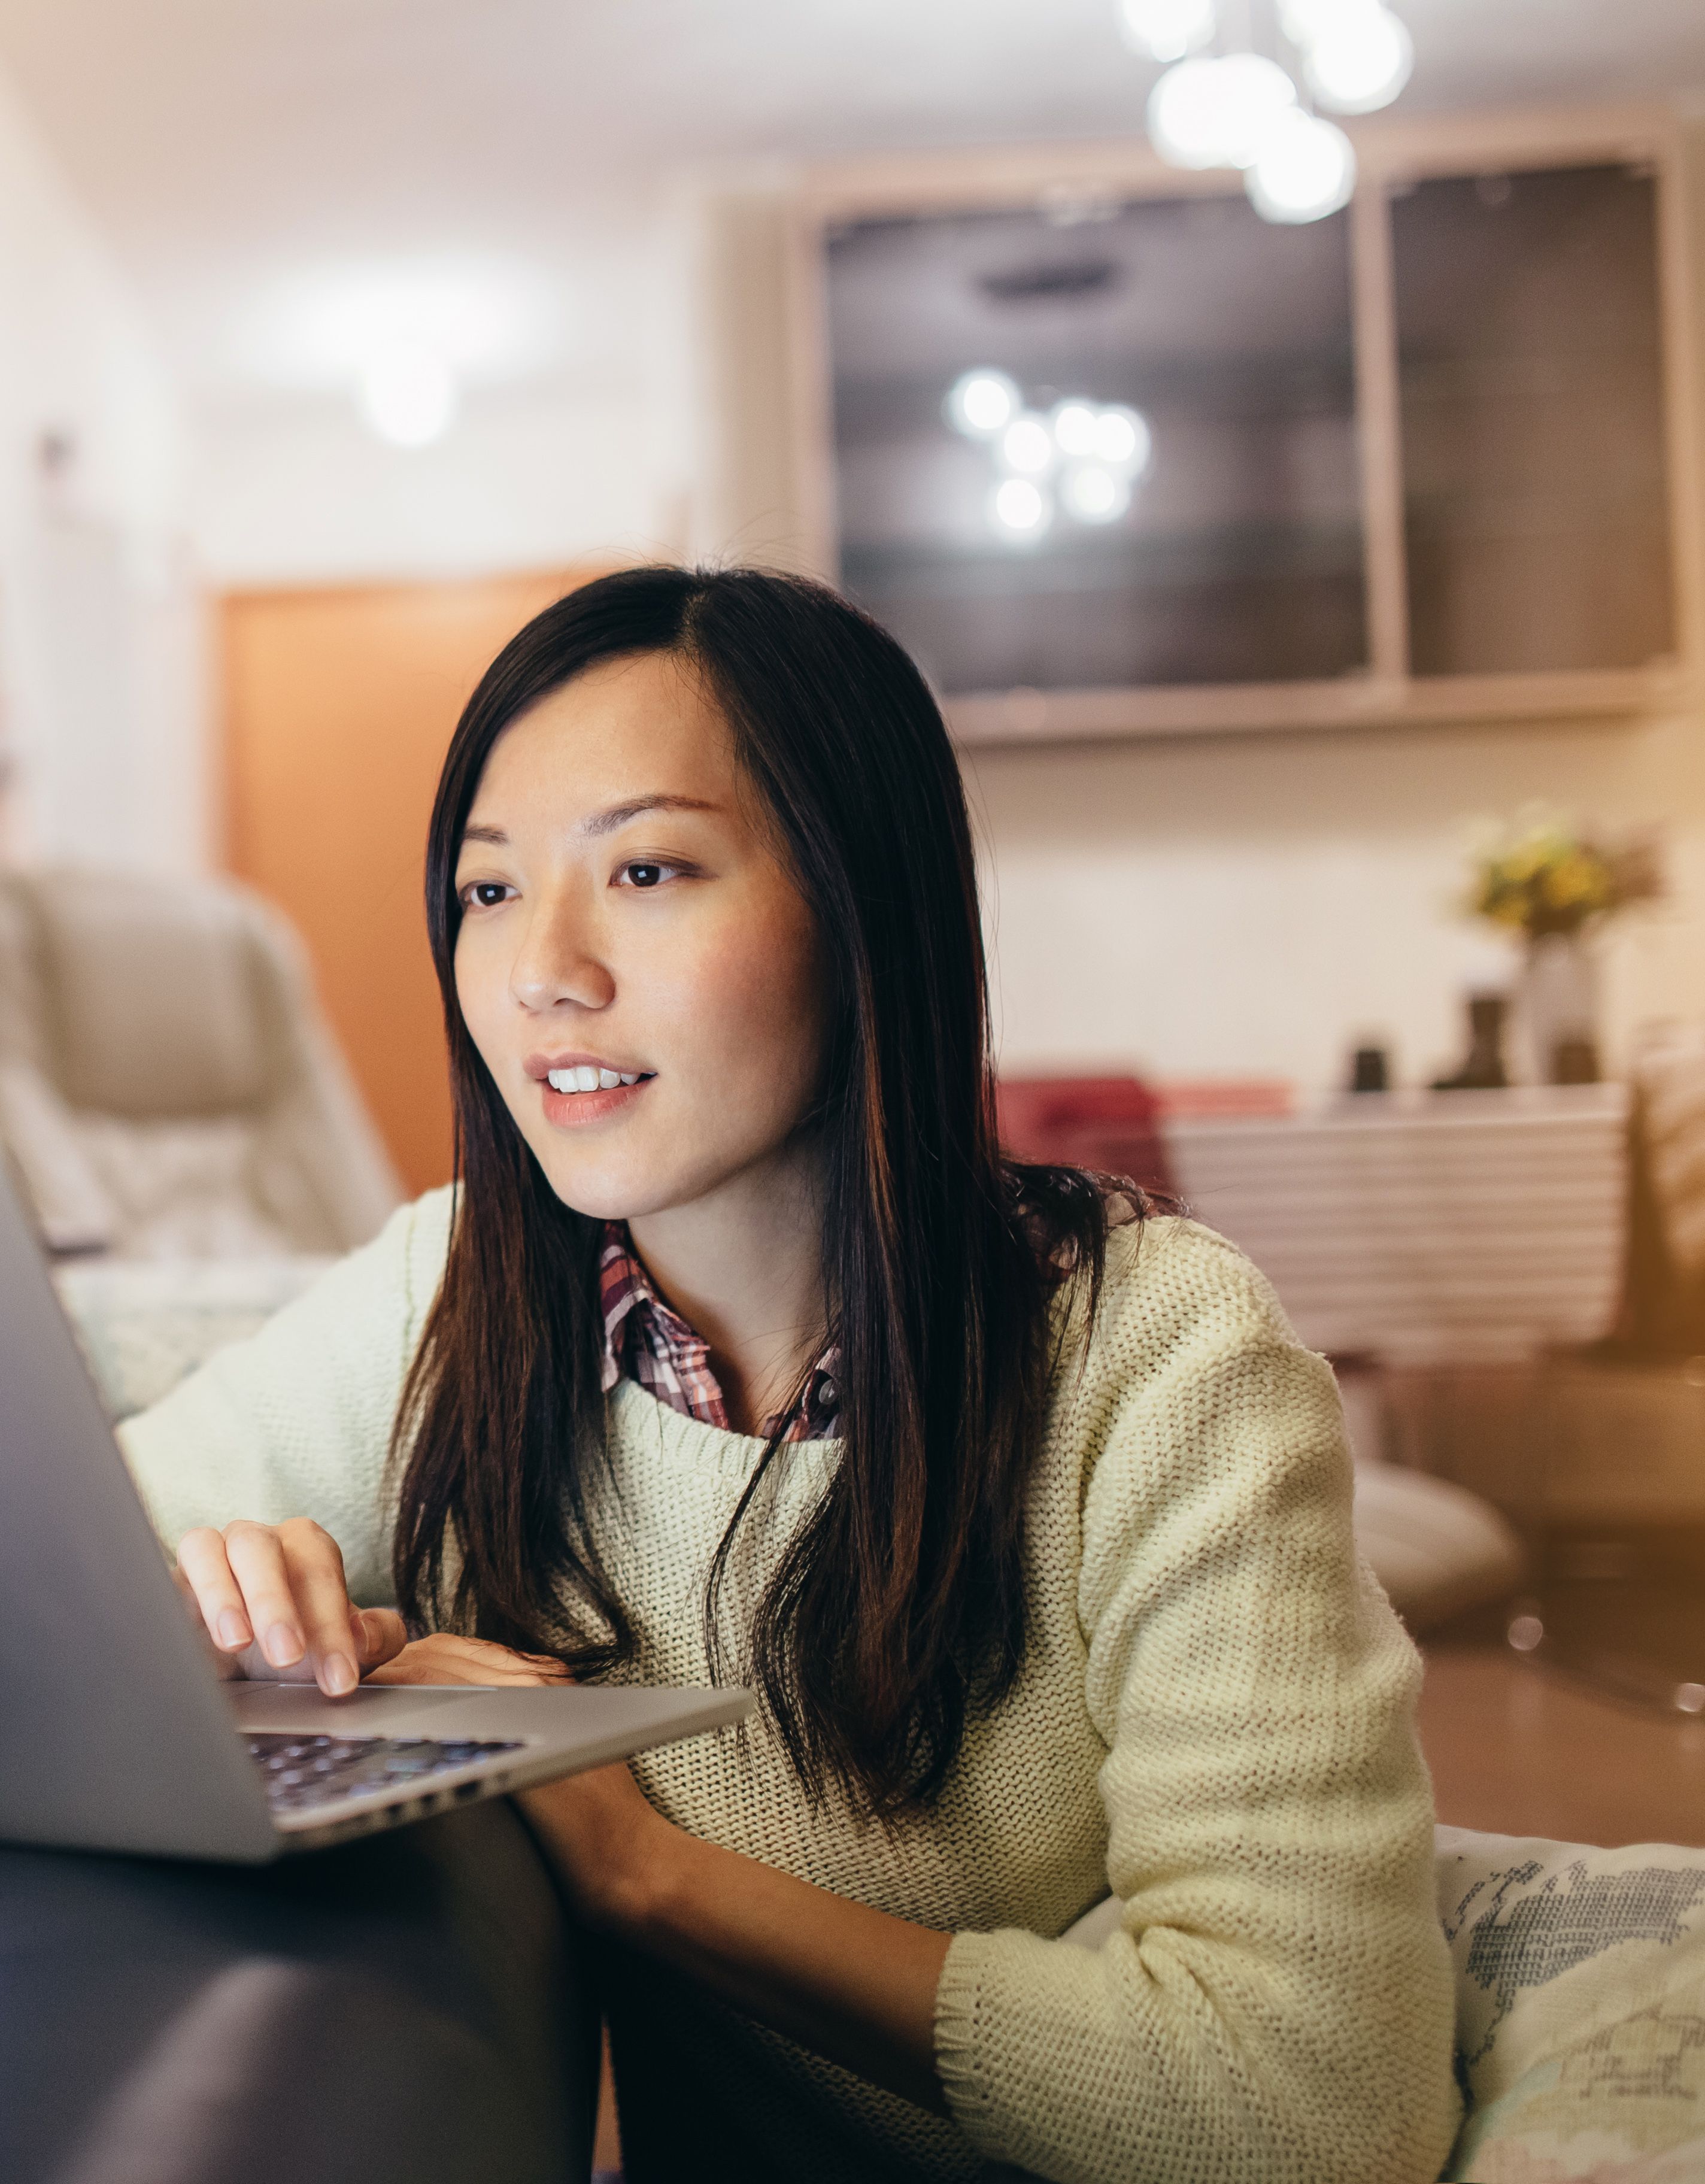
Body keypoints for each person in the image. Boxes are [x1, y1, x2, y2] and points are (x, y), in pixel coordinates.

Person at [121, 566, 1455, 2182]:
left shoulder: (1161, 1359)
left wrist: (638, 1867)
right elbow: (34, 1581)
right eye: (488, 889)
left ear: (860, 903)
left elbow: (1316, 2110)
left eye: (647, 869)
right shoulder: (457, 1291)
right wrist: (218, 1609)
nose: (544, 969)